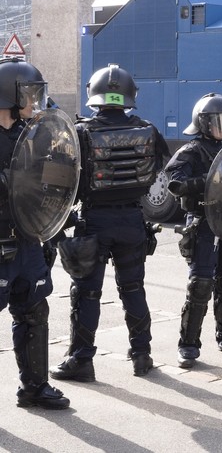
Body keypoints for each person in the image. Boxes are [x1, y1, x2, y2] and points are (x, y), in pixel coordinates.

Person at [51, 64, 168, 383]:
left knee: (86, 294)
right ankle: (142, 356)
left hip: (95, 221)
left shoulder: (81, 131)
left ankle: (81, 360)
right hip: (133, 220)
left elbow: (61, 178)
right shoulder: (149, 129)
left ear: (94, 95)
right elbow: (158, 169)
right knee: (133, 289)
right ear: (130, 96)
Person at [0, 57, 69, 409]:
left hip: (27, 239)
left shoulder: (33, 136)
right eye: (30, 94)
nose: (35, 101)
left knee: (33, 312)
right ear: (10, 97)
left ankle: (35, 387)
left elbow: (56, 179)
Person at [166, 93, 222, 368]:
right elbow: (175, 181)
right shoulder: (192, 150)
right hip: (204, 222)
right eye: (219, 122)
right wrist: (209, 181)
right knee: (200, 283)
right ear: (203, 123)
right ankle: (188, 344)